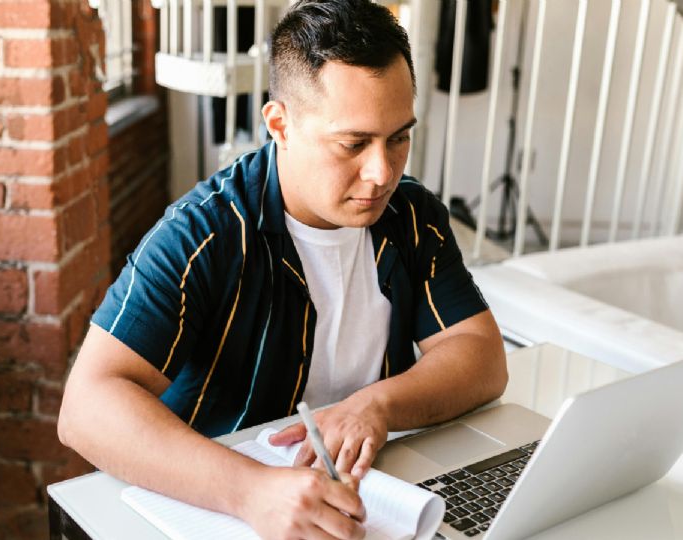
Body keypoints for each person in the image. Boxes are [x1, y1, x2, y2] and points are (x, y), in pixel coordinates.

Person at [58, 1, 507, 538]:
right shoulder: (204, 233)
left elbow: (481, 355)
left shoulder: (412, 215)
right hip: (224, 509)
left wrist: (376, 405)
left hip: (371, 497)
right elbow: (85, 406)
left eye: (399, 137)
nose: (382, 171)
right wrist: (249, 491)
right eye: (353, 143)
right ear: (280, 124)